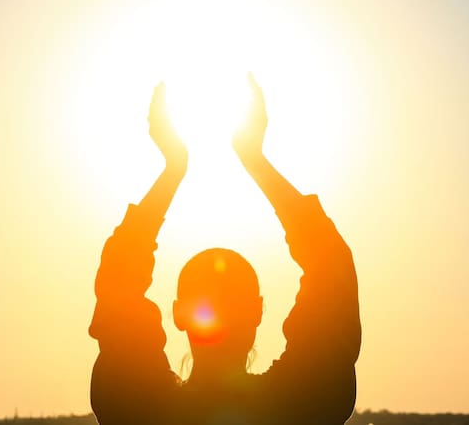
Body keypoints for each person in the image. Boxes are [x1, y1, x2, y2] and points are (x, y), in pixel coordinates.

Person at [89, 75, 361, 425]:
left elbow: (118, 287)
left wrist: (173, 169)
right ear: (258, 311)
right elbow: (330, 266)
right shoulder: (301, 403)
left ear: (179, 314)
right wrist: (255, 160)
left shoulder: (142, 407)